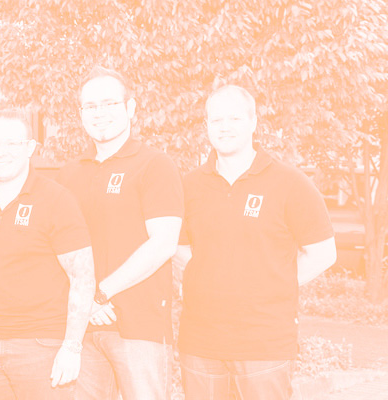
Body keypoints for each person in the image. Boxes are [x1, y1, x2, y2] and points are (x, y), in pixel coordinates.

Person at [173, 85, 337, 399]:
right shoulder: (188, 186)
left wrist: (270, 285)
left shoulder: (290, 183)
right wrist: (205, 279)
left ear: (253, 122)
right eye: (216, 120)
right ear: (206, 126)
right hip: (200, 341)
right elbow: (177, 247)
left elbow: (323, 253)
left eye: (234, 118)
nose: (224, 127)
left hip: (265, 342)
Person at [0, 109, 94, 399]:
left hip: (42, 347)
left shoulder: (57, 200)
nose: (2, 152)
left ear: (30, 148)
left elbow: (82, 278)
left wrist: (72, 348)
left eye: (12, 143)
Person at [56, 67, 183, 400]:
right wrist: (85, 303)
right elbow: (56, 249)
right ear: (81, 114)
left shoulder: (155, 165)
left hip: (139, 328)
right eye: (90, 106)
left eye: (110, 103)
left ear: (131, 108)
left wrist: (99, 294)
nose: (100, 113)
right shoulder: (69, 173)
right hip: (80, 330)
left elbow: (163, 243)